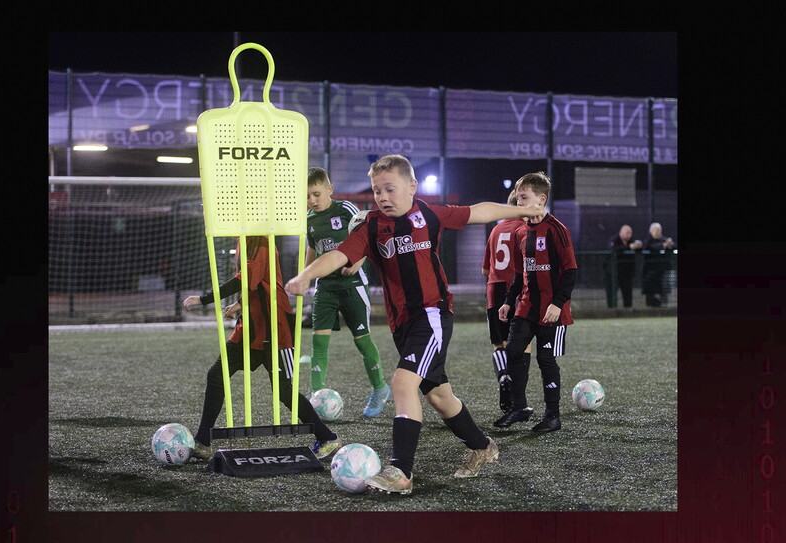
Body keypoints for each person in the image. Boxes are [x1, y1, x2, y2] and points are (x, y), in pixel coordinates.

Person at [285, 154, 543, 495]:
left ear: (412, 187)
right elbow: (339, 255)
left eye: (390, 189)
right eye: (377, 191)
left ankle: (401, 472)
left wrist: (522, 211)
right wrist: (305, 275)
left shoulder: (429, 214)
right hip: (401, 325)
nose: (382, 197)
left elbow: (477, 212)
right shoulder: (372, 226)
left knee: (402, 382)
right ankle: (482, 446)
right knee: (439, 396)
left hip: (432, 315)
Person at [182, 236, 343, 462]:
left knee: (284, 392)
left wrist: (204, 298)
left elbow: (247, 278)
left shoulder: (260, 239)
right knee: (216, 375)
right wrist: (240, 304)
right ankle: (203, 442)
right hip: (250, 326)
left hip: (275, 329)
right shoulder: (242, 239)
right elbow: (259, 281)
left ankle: (327, 438)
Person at [304, 167, 391, 418]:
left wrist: (358, 261)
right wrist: (306, 275)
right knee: (318, 342)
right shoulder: (308, 219)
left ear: (329, 190)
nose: (312, 200)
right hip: (326, 287)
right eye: (307, 196)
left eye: (317, 194)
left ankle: (379, 388)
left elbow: (366, 237)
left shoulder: (347, 210)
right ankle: (316, 398)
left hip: (352, 285)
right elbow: (313, 249)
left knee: (362, 340)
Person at [495, 172, 578, 433]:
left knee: (546, 360)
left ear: (541, 199)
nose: (519, 204)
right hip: (527, 306)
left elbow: (571, 271)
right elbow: (520, 274)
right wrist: (509, 300)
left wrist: (558, 303)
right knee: (513, 352)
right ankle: (519, 408)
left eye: (524, 198)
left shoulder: (557, 230)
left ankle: (553, 416)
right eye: (518, 199)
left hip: (552, 310)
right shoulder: (520, 232)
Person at [481, 191, 532, 414]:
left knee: (499, 344)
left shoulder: (496, 229)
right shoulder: (524, 229)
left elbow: (485, 269)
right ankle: (519, 397)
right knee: (523, 344)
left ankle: (503, 376)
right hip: (518, 290)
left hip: (495, 289)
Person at [606, 224, 643, 308]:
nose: (629, 235)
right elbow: (614, 249)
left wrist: (639, 246)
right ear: (621, 232)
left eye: (630, 233)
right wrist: (628, 247)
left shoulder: (632, 241)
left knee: (627, 292)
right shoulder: (614, 240)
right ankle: (612, 310)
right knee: (612, 293)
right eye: (627, 232)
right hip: (614, 273)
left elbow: (641, 249)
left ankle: (628, 311)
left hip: (627, 273)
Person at [641, 222, 675, 307]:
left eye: (659, 230)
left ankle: (664, 309)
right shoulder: (648, 241)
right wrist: (663, 246)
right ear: (651, 231)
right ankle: (651, 309)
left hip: (664, 271)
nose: (658, 232)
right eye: (656, 230)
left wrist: (670, 245)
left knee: (664, 291)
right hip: (651, 272)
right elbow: (651, 247)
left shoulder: (664, 239)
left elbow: (673, 247)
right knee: (650, 292)